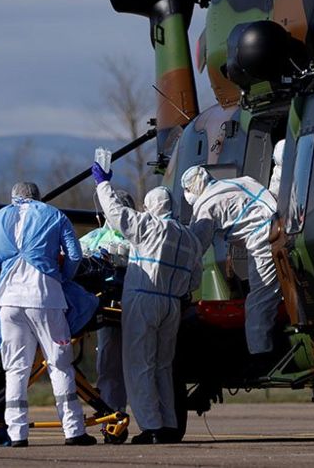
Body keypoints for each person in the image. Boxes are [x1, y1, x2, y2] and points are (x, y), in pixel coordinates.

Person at [0, 182, 97, 448]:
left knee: (15, 368)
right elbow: (74, 254)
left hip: (8, 301)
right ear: (38, 196)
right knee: (59, 363)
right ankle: (73, 430)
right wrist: (61, 278)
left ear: (13, 196)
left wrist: (10, 259)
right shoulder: (54, 215)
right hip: (46, 297)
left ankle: (17, 433)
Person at [92, 164, 202, 445]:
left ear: (151, 206)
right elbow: (195, 279)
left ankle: (151, 426)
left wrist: (103, 184)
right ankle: (167, 425)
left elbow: (116, 215)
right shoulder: (188, 236)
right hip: (172, 305)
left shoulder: (148, 226)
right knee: (163, 366)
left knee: (139, 365)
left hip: (143, 297)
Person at [180, 165, 278, 374]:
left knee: (259, 300)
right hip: (281, 225)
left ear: (193, 189)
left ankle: (261, 357)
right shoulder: (239, 181)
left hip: (263, 240)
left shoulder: (207, 206)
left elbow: (196, 246)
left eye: (187, 191)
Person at [80, 188, 137, 417]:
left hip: (130, 306)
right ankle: (112, 412)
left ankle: (115, 411)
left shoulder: (140, 235)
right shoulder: (95, 238)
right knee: (111, 362)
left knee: (132, 363)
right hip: (109, 309)